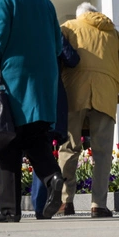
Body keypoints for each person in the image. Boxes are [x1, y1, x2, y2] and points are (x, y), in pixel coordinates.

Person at [0, 0, 65, 222]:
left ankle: (9, 211)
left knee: (6, 139)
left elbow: (1, 34)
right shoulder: (46, 3)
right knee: (34, 136)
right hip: (43, 79)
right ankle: (53, 177)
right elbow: (58, 44)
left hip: (12, 76)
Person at [56, 2, 119, 218]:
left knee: (69, 148)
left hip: (73, 93)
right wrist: (110, 88)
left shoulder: (68, 27)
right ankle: (98, 204)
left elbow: (59, 58)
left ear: (80, 16)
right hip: (105, 96)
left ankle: (65, 202)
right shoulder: (116, 35)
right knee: (102, 153)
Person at [32, 30, 79, 219]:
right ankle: (47, 189)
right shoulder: (54, 33)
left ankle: (38, 202)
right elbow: (73, 59)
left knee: (33, 146)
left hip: (31, 95)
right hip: (54, 95)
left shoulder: (25, 30)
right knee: (42, 147)